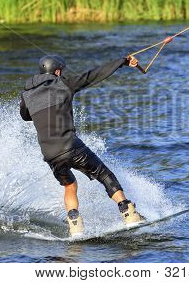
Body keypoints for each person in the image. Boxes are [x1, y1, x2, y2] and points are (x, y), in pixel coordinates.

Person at [19, 54, 145, 237]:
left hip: (51, 154)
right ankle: (129, 213)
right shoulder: (63, 84)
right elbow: (92, 75)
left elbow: (25, 116)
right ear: (56, 71)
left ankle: (75, 225)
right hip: (71, 146)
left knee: (69, 185)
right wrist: (121, 62)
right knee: (104, 174)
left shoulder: (27, 95)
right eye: (61, 72)